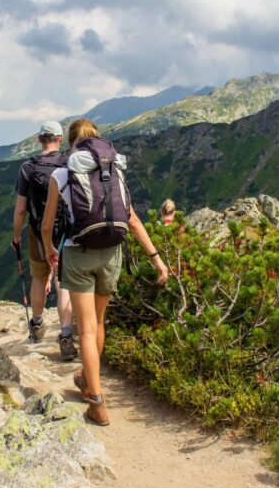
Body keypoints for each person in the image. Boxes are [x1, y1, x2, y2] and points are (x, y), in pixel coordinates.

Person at [42, 118, 169, 426]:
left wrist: (49, 248)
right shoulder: (114, 170)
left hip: (78, 252)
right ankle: (87, 379)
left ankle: (96, 403)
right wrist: (156, 259)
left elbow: (47, 225)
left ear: (72, 142)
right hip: (112, 252)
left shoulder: (62, 173)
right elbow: (133, 220)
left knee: (84, 329)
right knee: (98, 322)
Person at [12, 121, 77, 361]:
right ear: (60, 139)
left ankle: (37, 324)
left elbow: (20, 210)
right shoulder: (69, 164)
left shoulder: (27, 168)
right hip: (67, 231)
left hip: (38, 230)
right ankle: (67, 336)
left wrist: (16, 235)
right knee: (64, 282)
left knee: (39, 277)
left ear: (40, 140)